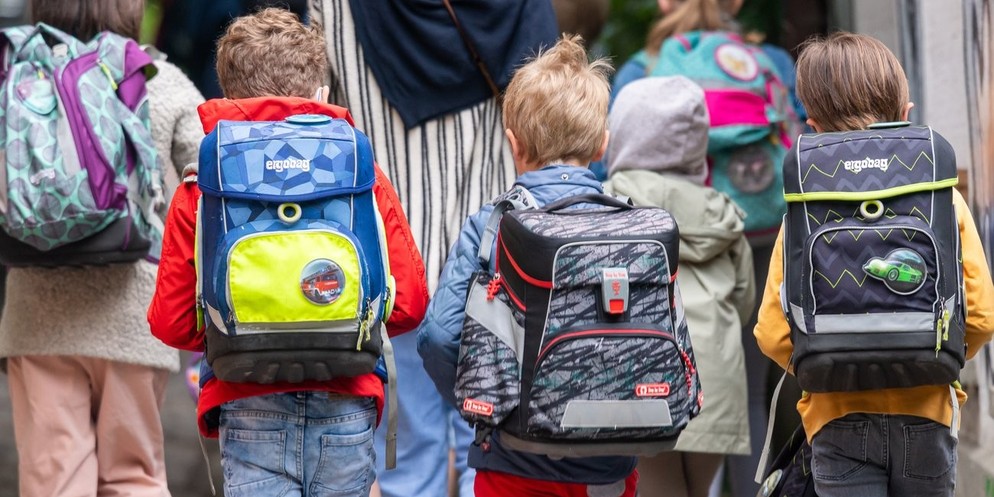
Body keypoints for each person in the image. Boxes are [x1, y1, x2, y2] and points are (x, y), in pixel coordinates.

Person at [146, 7, 429, 496]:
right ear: (320, 94)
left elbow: (172, 323)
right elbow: (408, 306)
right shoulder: (361, 175)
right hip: (347, 396)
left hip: (246, 397)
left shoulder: (204, 185)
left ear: (229, 98)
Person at [309, 1, 558, 495]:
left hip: (390, 259)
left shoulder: (334, 7)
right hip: (498, 264)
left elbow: (317, 114)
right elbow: (552, 108)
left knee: (405, 460)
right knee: (492, 451)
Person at [753, 32, 994, 497]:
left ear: (814, 126)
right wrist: (926, 356)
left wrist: (830, 364)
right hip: (928, 416)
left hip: (834, 416)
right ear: (905, 115)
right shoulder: (942, 199)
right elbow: (981, 319)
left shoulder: (804, 209)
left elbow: (771, 332)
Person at [417, 34, 640, 497]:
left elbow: (440, 336)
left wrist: (483, 407)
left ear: (513, 144)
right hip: (608, 465)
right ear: (602, 144)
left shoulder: (492, 224)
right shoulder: (635, 227)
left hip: (512, 462)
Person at [0, 0, 203, 495]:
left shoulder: (17, 83)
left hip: (38, 317)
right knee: (134, 478)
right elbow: (208, 192)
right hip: (135, 316)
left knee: (55, 480)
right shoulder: (160, 79)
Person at [610, 3, 804, 495]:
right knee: (747, 388)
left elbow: (608, 159)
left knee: (658, 380)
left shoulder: (642, 70)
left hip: (658, 235)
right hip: (747, 232)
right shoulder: (773, 63)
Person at [604, 75, 754, 497]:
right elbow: (744, 304)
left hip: (644, 381)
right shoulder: (724, 215)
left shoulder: (611, 204)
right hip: (716, 387)